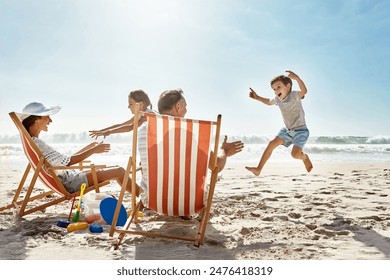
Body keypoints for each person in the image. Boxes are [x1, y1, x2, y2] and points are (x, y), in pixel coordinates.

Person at [136, 88, 244, 198]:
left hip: (153, 199)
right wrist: (224, 150)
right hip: (189, 202)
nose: (186, 110)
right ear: (178, 107)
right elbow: (217, 165)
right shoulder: (187, 132)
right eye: (185, 106)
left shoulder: (143, 131)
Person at [19, 102, 139, 195]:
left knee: (119, 171)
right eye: (47, 116)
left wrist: (88, 148)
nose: (50, 120)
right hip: (71, 183)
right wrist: (94, 150)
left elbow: (64, 162)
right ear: (36, 119)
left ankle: (142, 198)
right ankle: (144, 198)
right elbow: (68, 162)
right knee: (120, 171)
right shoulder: (38, 143)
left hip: (69, 178)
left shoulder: (33, 143)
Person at [245, 70, 313, 176]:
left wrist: (297, 78)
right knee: (271, 144)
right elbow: (268, 102)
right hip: (287, 131)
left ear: (288, 86)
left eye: (278, 87)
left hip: (301, 131)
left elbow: (304, 91)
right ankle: (258, 169)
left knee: (295, 155)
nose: (276, 91)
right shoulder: (278, 99)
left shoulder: (295, 95)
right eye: (274, 89)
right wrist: (257, 97)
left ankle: (304, 157)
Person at [89, 89, 153, 139]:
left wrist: (109, 132)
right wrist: (102, 131)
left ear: (140, 104)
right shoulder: (140, 115)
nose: (128, 107)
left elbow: (131, 127)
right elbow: (122, 125)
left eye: (130, 104)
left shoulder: (148, 115)